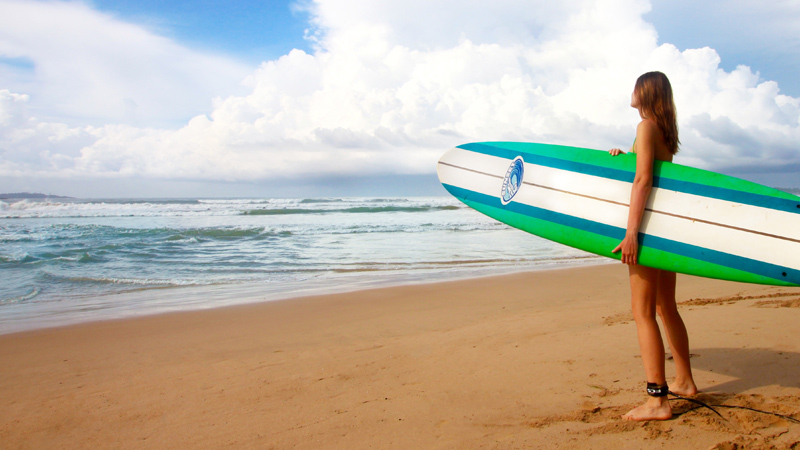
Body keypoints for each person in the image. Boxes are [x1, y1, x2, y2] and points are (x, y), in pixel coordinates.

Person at [609, 71, 697, 421]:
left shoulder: (645, 126)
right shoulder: (662, 131)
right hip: (665, 230)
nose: (630, 92)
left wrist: (631, 234)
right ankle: (685, 381)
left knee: (642, 312)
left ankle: (657, 400)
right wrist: (621, 156)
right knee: (666, 308)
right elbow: (645, 170)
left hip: (645, 229)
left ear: (644, 92)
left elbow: (643, 180)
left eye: (634, 87)